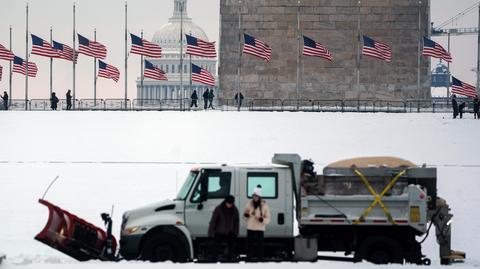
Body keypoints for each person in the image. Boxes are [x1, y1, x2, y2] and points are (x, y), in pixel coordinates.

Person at [208, 195, 239, 261]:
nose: (229, 205)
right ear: (225, 202)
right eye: (228, 203)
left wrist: (236, 232)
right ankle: (214, 259)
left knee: (231, 245)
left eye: (231, 204)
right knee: (216, 246)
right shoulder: (218, 208)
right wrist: (211, 232)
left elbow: (237, 221)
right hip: (219, 231)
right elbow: (213, 221)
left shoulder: (235, 209)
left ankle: (229, 259)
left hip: (230, 231)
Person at [243, 185, 270, 262]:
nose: (254, 197)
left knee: (260, 245)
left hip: (260, 228)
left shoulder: (264, 206)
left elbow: (268, 218)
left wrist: (262, 220)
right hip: (250, 227)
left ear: (259, 197)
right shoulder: (248, 204)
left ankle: (260, 259)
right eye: (254, 196)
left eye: (256, 196)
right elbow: (244, 216)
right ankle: (249, 258)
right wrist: (246, 215)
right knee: (249, 245)